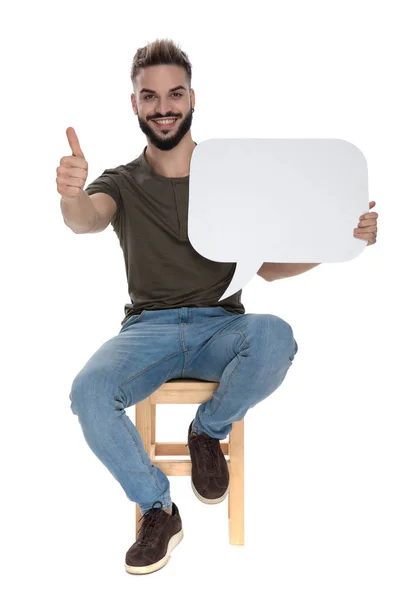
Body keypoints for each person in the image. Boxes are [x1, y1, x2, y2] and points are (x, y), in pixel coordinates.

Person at [57, 38, 378, 576]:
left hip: (221, 327)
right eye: (151, 96)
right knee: (87, 392)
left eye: (175, 94)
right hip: (147, 331)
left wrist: (339, 239)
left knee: (276, 334)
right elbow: (85, 218)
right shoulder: (119, 181)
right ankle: (158, 507)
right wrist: (70, 192)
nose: (164, 106)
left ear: (192, 99)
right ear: (134, 104)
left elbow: (270, 267)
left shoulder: (229, 177)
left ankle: (208, 430)